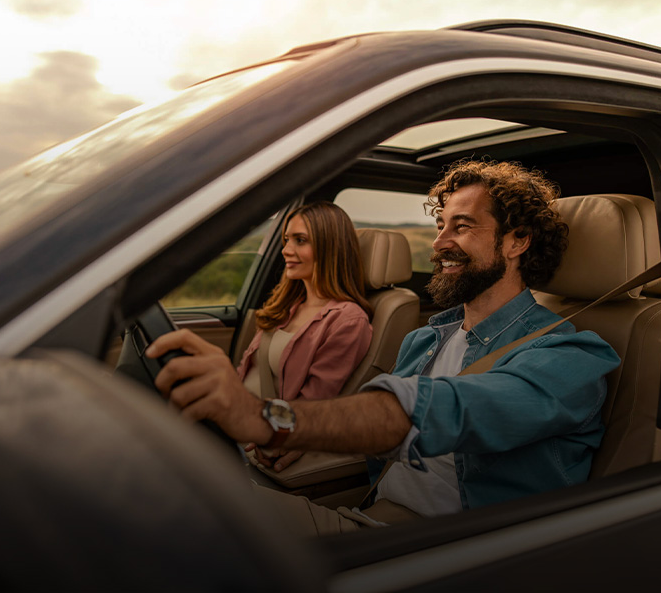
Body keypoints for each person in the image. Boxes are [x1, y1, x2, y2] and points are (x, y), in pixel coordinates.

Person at [147, 160, 621, 534]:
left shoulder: (571, 356)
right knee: (168, 490)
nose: (439, 243)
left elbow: (443, 410)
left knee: (180, 508)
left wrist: (264, 417)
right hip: (372, 515)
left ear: (517, 241)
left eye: (461, 226)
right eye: (440, 226)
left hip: (448, 548)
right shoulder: (425, 337)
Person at [237, 201, 373, 471]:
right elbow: (246, 369)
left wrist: (272, 435)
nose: (286, 250)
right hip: (234, 419)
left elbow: (312, 404)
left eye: (300, 240)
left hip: (253, 438)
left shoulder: (347, 321)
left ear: (329, 247)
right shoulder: (287, 304)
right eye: (287, 239)